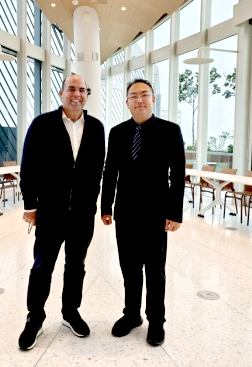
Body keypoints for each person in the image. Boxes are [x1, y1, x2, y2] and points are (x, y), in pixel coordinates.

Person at [18, 74, 105, 350]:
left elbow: (97, 171)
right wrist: (30, 206)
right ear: (61, 93)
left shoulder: (97, 127)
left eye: (82, 90)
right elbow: (28, 167)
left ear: (87, 95)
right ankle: (35, 317)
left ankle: (70, 312)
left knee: (76, 266)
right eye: (71, 89)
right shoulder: (42, 124)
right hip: (50, 213)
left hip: (82, 215)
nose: (76, 94)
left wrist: (91, 204)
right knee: (42, 267)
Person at [101, 78, 185, 347]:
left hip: (156, 214)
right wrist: (105, 206)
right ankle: (132, 315)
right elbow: (110, 171)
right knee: (129, 268)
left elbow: (178, 175)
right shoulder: (117, 132)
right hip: (125, 213)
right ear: (127, 102)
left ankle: (156, 320)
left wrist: (175, 212)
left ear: (153, 99)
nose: (139, 100)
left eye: (144, 95)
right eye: (134, 96)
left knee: (155, 270)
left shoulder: (170, 131)